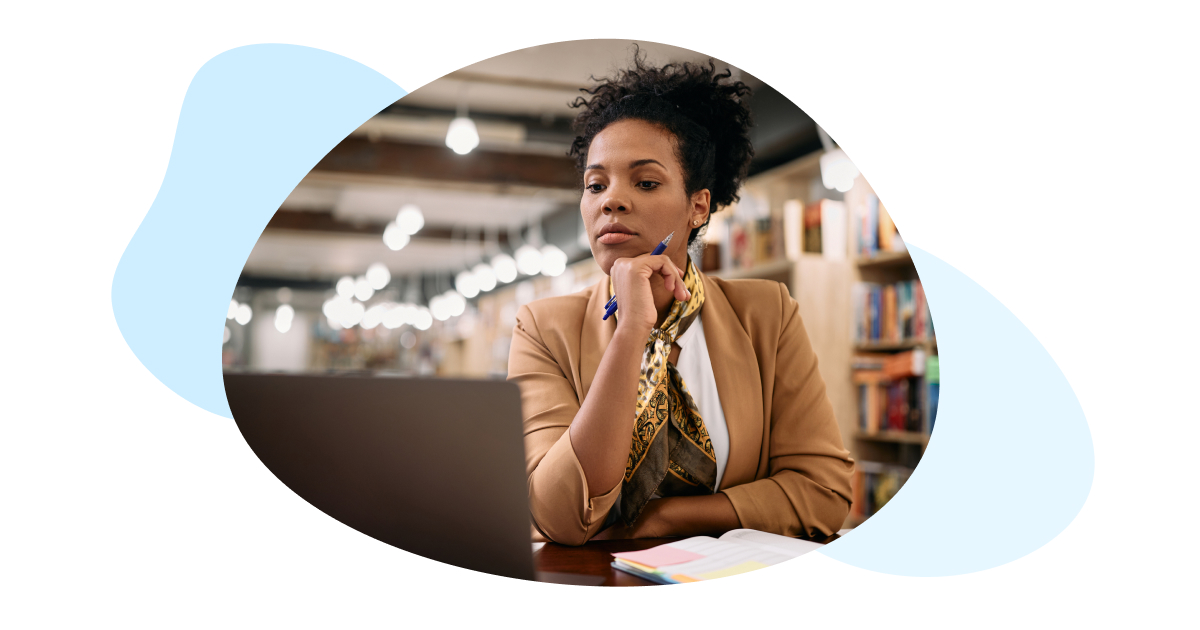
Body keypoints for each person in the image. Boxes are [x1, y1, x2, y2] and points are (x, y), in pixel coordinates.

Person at [508, 52, 854, 546]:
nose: (611, 200)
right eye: (595, 184)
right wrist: (630, 333)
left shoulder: (766, 314)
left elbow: (823, 490)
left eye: (645, 182)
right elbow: (560, 515)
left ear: (698, 206)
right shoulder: (543, 327)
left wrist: (667, 519)